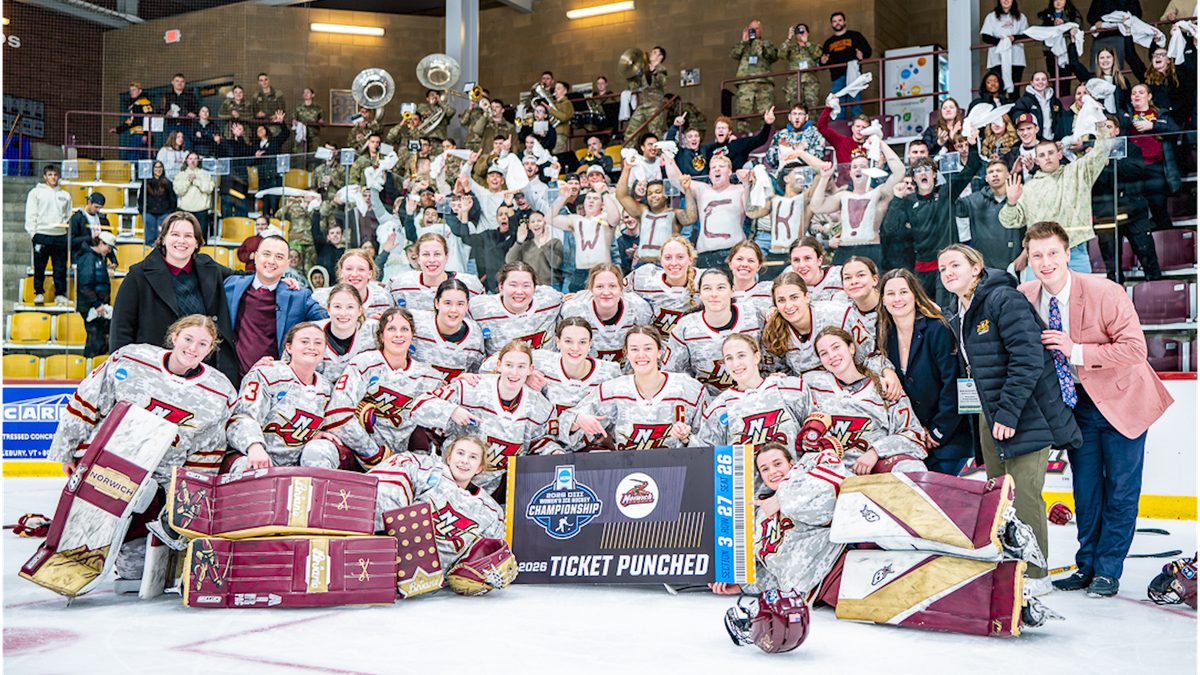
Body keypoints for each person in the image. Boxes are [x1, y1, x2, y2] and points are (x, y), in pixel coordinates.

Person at [1016, 222, 1172, 596]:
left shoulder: (1106, 291)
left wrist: (1076, 351)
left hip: (1122, 400)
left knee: (1120, 489)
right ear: (1028, 260)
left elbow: (1136, 349)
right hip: (1075, 405)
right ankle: (1086, 566)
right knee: (1085, 490)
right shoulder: (1025, 294)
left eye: (1053, 252)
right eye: (1037, 255)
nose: (1045, 261)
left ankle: (1108, 570)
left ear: (1068, 253)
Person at [938, 243, 1081, 595]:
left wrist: (1009, 412)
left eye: (955, 264)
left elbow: (1029, 358)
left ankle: (1035, 574)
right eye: (942, 269)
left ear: (976, 268)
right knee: (1000, 495)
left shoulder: (1003, 299)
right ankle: (1009, 563)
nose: (948, 272)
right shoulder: (959, 309)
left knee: (1024, 495)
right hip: (993, 415)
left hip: (1024, 412)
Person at [53, 314, 236, 484]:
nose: (192, 348)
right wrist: (67, 453)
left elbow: (209, 446)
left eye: (202, 344)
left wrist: (192, 489)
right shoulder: (132, 359)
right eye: (188, 339)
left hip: (164, 481)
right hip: (108, 465)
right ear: (174, 338)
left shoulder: (219, 390)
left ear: (210, 349)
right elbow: (87, 402)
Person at [411, 339, 561, 497]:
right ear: (498, 365)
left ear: (530, 369)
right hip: (447, 482)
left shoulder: (540, 407)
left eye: (521, 367)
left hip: (491, 493)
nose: (514, 372)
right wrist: (451, 410)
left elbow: (541, 441)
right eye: (509, 365)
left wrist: (554, 451)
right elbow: (418, 406)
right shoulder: (471, 387)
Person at [110, 212, 241, 384]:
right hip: (153, 373)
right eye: (175, 235)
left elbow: (244, 278)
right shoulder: (138, 275)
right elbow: (121, 330)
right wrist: (123, 371)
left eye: (188, 236)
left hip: (202, 374)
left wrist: (285, 282)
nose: (181, 240)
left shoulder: (209, 268)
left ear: (197, 243)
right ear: (163, 239)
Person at [707, 441, 847, 599]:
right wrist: (742, 585)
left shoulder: (806, 474)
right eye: (765, 469)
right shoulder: (759, 518)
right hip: (812, 594)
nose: (772, 472)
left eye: (777, 463)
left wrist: (782, 499)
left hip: (839, 568)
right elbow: (779, 574)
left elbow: (834, 471)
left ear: (792, 464)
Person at [323, 307, 451, 468]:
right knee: (319, 450)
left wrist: (461, 383)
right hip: (355, 453)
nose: (398, 334)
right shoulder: (364, 363)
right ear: (381, 336)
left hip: (398, 462)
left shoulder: (430, 377)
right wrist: (373, 453)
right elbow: (337, 415)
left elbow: (445, 426)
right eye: (391, 329)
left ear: (412, 335)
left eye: (404, 329)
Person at [877, 268, 972, 475]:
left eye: (904, 292)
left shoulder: (936, 329)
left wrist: (938, 432)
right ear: (882, 300)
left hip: (948, 437)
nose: (897, 299)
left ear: (915, 296)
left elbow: (953, 385)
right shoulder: (885, 333)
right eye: (890, 294)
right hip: (913, 438)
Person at [369, 435, 506, 574]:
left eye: (473, 457)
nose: (465, 461)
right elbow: (380, 495)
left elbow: (490, 553)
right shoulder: (424, 470)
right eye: (460, 453)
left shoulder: (491, 512)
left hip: (441, 587)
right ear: (448, 458)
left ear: (479, 468)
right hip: (389, 568)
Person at [479, 318, 623, 448]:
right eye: (568, 341)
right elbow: (489, 365)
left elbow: (619, 410)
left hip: (589, 448)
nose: (575, 348)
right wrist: (525, 375)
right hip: (545, 446)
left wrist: (608, 438)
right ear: (557, 342)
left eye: (582, 342)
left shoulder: (610, 372)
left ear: (590, 344)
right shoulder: (541, 360)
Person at [560, 326, 708, 451]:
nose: (641, 355)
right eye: (634, 349)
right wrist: (577, 420)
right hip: (626, 475)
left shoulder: (690, 389)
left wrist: (687, 439)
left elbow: (711, 444)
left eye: (648, 348)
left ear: (659, 352)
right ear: (626, 353)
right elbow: (570, 436)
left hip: (681, 474)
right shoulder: (611, 391)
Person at [805, 327, 928, 475]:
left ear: (851, 348)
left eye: (836, 347)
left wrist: (876, 451)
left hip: (877, 468)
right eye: (823, 353)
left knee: (912, 469)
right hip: (833, 474)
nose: (831, 355)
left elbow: (914, 434)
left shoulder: (885, 387)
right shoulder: (811, 385)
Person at [225, 322, 339, 474]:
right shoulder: (267, 374)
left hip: (298, 462)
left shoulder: (327, 388)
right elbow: (242, 417)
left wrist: (319, 433)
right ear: (289, 347)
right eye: (304, 341)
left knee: (322, 448)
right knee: (247, 465)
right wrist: (254, 446)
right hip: (259, 457)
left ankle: (317, 495)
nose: (312, 346)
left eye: (318, 343)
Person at [998, 121, 1109, 274]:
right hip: (1040, 256)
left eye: (1051, 153)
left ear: (1060, 154)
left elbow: (1100, 153)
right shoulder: (1029, 188)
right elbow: (1009, 221)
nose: (1047, 158)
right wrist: (1011, 202)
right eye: (1042, 155)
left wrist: (1101, 127)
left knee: (1081, 296)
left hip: (1074, 251)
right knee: (1036, 298)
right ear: (1036, 161)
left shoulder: (1078, 172)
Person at [224, 234, 328, 380]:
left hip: (275, 383)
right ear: (256, 256)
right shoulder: (231, 286)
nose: (271, 261)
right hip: (233, 381)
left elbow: (331, 320)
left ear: (287, 264)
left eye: (279, 257)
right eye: (266, 254)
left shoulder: (299, 297)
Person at [900, 133, 984, 309]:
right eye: (918, 171)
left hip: (945, 267)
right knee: (923, 311)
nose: (923, 173)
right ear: (913, 178)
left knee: (946, 311)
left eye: (927, 169)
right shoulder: (907, 202)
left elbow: (971, 168)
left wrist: (973, 144)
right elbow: (895, 232)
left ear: (934, 174)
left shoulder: (947, 191)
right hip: (920, 269)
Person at [694, 335, 808, 450]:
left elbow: (815, 431)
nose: (736, 364)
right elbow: (706, 456)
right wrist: (685, 438)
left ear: (756, 357)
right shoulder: (717, 409)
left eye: (741, 355)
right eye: (729, 358)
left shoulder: (790, 389)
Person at [664, 268, 766, 394]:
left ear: (732, 291)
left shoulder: (753, 316)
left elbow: (772, 363)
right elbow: (673, 376)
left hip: (753, 399)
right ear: (700, 294)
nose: (714, 294)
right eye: (707, 288)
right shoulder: (686, 327)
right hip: (709, 404)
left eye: (721, 288)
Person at [808, 144, 905, 267]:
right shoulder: (843, 196)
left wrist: (880, 143)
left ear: (869, 170)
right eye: (854, 167)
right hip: (845, 250)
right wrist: (824, 178)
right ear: (850, 173)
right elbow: (816, 206)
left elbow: (899, 172)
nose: (858, 169)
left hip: (870, 248)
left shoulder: (878, 193)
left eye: (862, 166)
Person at [1091, 115, 1162, 281]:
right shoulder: (1092, 156)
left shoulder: (1131, 149)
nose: (1105, 130)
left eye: (1109, 126)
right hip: (1106, 215)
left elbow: (1136, 171)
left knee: (1148, 257)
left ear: (1117, 131)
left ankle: (1156, 298)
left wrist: (1110, 162)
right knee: (1112, 269)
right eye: (1101, 127)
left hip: (1133, 213)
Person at [664, 154, 749, 268]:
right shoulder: (702, 190)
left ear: (729, 171)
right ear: (710, 174)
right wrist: (667, 155)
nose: (717, 169)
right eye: (713, 168)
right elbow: (676, 180)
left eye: (721, 166)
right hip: (706, 253)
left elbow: (750, 210)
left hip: (734, 252)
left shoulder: (740, 189)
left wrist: (747, 183)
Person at [559, 264, 652, 365]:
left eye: (612, 286)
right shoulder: (574, 311)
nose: (606, 292)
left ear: (621, 289)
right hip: (586, 376)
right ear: (591, 290)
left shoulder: (639, 309)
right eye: (599, 287)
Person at [1118, 85, 1182, 233]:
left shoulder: (1160, 114)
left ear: (1149, 96)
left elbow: (1175, 132)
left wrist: (1153, 126)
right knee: (1136, 215)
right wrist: (1125, 121)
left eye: (1141, 92)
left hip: (1155, 168)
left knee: (1160, 210)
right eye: (1133, 93)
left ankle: (1167, 248)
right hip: (1133, 170)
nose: (1136, 95)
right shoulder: (1126, 115)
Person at [469, 261, 563, 355]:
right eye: (513, 285)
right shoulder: (480, 309)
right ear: (501, 287)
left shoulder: (550, 300)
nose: (519, 291)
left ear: (534, 288)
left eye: (526, 286)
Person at [615, 159, 697, 266]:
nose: (653, 195)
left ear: (666, 195)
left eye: (658, 192)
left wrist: (687, 190)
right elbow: (621, 195)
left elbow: (691, 218)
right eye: (650, 193)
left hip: (665, 265)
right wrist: (626, 169)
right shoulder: (642, 212)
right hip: (642, 264)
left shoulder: (674, 214)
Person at [549, 182, 622, 292]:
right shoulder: (575, 221)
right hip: (578, 272)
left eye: (595, 198)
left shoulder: (605, 220)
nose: (591, 200)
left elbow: (615, 218)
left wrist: (604, 193)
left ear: (602, 205)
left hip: (601, 269)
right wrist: (563, 196)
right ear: (584, 203)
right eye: (589, 198)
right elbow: (549, 218)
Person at [410, 279, 487, 382]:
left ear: (467, 306)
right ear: (437, 303)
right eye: (447, 303)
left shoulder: (475, 335)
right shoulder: (416, 322)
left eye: (460, 304)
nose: (454, 310)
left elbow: (476, 373)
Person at [956, 159, 1026, 270]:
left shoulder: (1021, 197)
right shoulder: (974, 200)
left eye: (998, 171)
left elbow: (1034, 228)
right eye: (990, 172)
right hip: (985, 267)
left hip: (1017, 265)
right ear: (986, 178)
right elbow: (950, 205)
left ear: (1008, 175)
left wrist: (1025, 254)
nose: (995, 174)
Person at [389, 232, 485, 312]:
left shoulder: (471, 286)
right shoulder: (399, 285)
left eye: (437, 254)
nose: (432, 260)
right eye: (426, 254)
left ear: (446, 257)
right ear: (418, 258)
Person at [628, 236, 704, 334]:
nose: (673, 263)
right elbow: (618, 293)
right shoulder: (645, 277)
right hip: (652, 345)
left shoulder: (705, 280)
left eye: (680, 257)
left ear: (690, 260)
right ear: (661, 261)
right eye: (668, 257)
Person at [25, 164, 73, 306]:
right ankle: (38, 293)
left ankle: (60, 294)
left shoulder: (65, 195)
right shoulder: (36, 193)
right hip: (42, 235)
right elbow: (31, 214)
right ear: (45, 176)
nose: (53, 177)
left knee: (60, 267)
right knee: (40, 267)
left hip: (59, 236)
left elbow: (68, 215)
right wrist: (33, 234)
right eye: (50, 175)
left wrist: (62, 229)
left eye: (55, 175)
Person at [313, 283, 377, 381]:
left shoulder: (374, 331)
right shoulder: (311, 333)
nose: (343, 313)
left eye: (350, 307)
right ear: (329, 309)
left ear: (360, 310)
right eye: (337, 307)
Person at [821, 12, 873, 119]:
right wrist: (823, 61)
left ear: (845, 22)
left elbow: (868, 51)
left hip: (853, 75)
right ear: (831, 24)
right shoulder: (828, 43)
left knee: (856, 105)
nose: (837, 23)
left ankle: (859, 129)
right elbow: (823, 64)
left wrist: (861, 54)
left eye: (839, 20)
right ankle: (840, 132)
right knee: (838, 106)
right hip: (836, 77)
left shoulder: (855, 36)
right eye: (834, 21)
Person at [311, 248, 393, 316]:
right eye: (349, 269)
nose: (354, 274)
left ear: (370, 274)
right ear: (341, 273)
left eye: (361, 269)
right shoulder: (322, 299)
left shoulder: (383, 298)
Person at [730, 21, 778, 134]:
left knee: (766, 112)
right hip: (746, 83)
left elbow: (774, 56)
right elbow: (734, 54)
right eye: (752, 29)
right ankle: (743, 137)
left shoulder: (766, 43)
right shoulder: (743, 45)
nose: (754, 31)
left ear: (761, 31)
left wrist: (762, 46)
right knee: (743, 114)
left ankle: (767, 136)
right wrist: (744, 41)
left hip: (763, 82)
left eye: (757, 29)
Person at [75, 232, 116, 358]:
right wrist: (96, 303)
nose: (109, 251)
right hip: (92, 306)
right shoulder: (89, 258)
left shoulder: (98, 258)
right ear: (101, 243)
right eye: (108, 248)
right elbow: (85, 284)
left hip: (97, 305)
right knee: (95, 342)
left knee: (99, 341)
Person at [1037, 0, 1085, 96]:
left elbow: (1078, 26)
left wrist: (1065, 24)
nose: (1058, 2)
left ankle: (1065, 99)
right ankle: (1056, 100)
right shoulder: (1046, 14)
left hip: (1067, 49)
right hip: (1051, 51)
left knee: (1067, 77)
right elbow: (1041, 30)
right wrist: (1053, 24)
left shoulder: (1072, 13)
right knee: (1054, 76)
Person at [623, 46, 670, 144]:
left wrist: (654, 72)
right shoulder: (645, 71)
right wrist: (630, 73)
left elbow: (662, 82)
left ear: (660, 57)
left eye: (655, 52)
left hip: (654, 106)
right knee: (631, 130)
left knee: (655, 132)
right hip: (644, 105)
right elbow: (635, 86)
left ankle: (660, 156)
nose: (651, 53)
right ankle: (627, 153)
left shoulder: (661, 68)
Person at [506, 210, 564, 288]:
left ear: (545, 223)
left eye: (539, 221)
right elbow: (509, 260)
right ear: (529, 226)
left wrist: (544, 246)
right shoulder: (526, 244)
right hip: (530, 285)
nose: (536, 224)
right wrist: (519, 242)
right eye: (533, 222)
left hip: (552, 285)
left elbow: (556, 264)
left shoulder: (555, 242)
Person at [980, 0, 1030, 91]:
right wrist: (1000, 41)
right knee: (998, 87)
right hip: (997, 58)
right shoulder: (991, 17)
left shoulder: (1021, 17)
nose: (1006, 1)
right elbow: (985, 36)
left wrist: (1013, 38)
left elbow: (1026, 34)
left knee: (1015, 86)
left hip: (1016, 58)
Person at [785, 237, 847, 302]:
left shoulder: (839, 276)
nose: (802, 265)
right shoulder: (787, 277)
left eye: (807, 258)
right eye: (796, 260)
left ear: (819, 260)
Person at [781, 23, 823, 109]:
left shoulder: (814, 47)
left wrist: (806, 42)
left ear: (808, 33)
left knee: (812, 108)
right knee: (794, 107)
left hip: (810, 83)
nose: (800, 34)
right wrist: (789, 38)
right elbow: (781, 54)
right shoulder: (791, 49)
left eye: (802, 31)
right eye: (798, 31)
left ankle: (812, 123)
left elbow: (818, 55)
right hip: (794, 83)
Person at [173, 152, 216, 238]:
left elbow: (209, 188)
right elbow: (178, 190)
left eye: (195, 159)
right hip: (184, 211)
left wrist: (196, 181)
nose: (193, 161)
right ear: (186, 161)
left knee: (200, 238)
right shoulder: (181, 174)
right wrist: (188, 181)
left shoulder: (205, 174)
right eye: (190, 159)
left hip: (201, 211)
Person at [1012, 73, 1064, 142]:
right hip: (1034, 141)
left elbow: (1060, 121)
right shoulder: (1024, 101)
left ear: (1047, 82)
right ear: (1032, 83)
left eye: (1043, 79)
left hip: (1052, 140)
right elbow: (1019, 120)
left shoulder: (1055, 101)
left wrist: (1058, 137)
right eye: (1037, 80)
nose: (1040, 82)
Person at [109, 82, 154, 160]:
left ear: (140, 91)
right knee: (133, 156)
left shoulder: (144, 102)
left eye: (134, 90)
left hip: (140, 136)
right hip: (134, 135)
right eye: (130, 90)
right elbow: (130, 121)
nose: (131, 92)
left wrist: (146, 134)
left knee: (139, 157)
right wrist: (117, 130)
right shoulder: (134, 105)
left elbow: (149, 118)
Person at [137, 160, 177, 246]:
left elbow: (172, 199)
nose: (159, 170)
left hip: (164, 213)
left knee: (162, 237)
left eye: (160, 167)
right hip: (149, 213)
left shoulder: (167, 183)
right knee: (150, 237)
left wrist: (170, 211)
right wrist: (142, 211)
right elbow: (141, 198)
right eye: (156, 168)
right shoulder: (146, 183)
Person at [162, 73, 200, 138]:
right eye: (177, 81)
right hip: (171, 125)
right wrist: (166, 113)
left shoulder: (191, 96)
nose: (180, 83)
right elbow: (160, 110)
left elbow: (197, 109)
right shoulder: (167, 96)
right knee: (172, 145)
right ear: (173, 82)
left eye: (182, 81)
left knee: (186, 146)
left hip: (186, 125)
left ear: (185, 83)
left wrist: (194, 114)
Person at [292, 87, 325, 155]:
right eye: (304, 92)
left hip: (313, 136)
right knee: (299, 155)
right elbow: (293, 119)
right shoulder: (298, 108)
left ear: (313, 95)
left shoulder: (318, 109)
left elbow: (322, 120)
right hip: (301, 136)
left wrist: (321, 121)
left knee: (314, 154)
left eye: (307, 92)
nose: (305, 94)